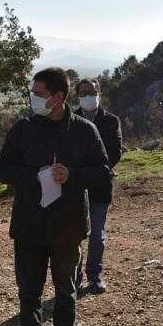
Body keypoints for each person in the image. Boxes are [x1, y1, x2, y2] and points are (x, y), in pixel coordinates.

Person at [0, 67, 110, 326]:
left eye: (39, 94)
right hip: (29, 226)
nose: (33, 98)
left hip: (67, 227)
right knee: (29, 292)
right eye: (32, 93)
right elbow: (1, 170)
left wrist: (72, 176)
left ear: (58, 97)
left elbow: (102, 172)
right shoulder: (22, 130)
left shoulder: (85, 131)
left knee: (66, 290)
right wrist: (34, 175)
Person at [73, 78, 122, 294]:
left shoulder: (111, 121)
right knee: (74, 233)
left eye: (91, 91)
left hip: (101, 186)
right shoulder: (70, 120)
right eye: (83, 93)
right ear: (77, 96)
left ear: (99, 93)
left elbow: (115, 152)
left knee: (97, 233)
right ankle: (73, 278)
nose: (87, 96)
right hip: (73, 187)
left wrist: (91, 171)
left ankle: (95, 275)